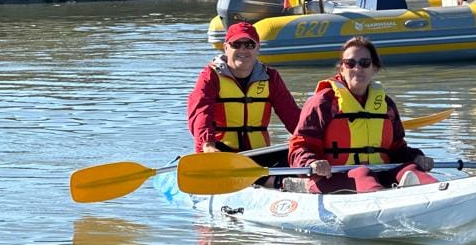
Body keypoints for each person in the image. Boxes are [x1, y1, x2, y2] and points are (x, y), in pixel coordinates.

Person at [288, 37, 437, 194]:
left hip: (379, 174)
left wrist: (416, 158)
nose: (357, 68)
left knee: (412, 168)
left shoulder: (386, 105)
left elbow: (397, 150)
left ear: (374, 68)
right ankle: (385, 201)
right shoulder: (323, 102)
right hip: (331, 177)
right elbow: (300, 146)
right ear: (342, 69)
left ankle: (441, 195)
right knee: (362, 173)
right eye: (350, 63)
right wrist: (311, 162)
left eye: (364, 63)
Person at [186, 21, 301, 153]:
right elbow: (201, 112)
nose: (243, 50)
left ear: (257, 48)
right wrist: (207, 144)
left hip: (259, 154)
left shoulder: (271, 77)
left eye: (249, 44)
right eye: (236, 44)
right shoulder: (210, 76)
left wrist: (311, 140)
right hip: (218, 152)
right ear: (225, 47)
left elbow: (291, 114)